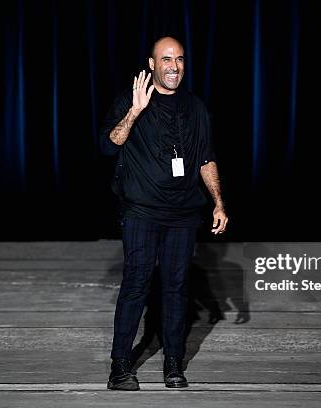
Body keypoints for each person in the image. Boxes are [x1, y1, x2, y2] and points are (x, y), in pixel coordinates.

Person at [99, 36, 228, 390]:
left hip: (184, 214)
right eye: (166, 59)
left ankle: (174, 363)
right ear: (152, 64)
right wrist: (136, 110)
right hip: (142, 210)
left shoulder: (196, 107)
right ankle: (120, 366)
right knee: (136, 285)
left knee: (176, 288)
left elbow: (206, 158)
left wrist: (218, 201)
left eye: (180, 59)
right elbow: (108, 146)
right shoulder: (131, 100)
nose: (174, 66)